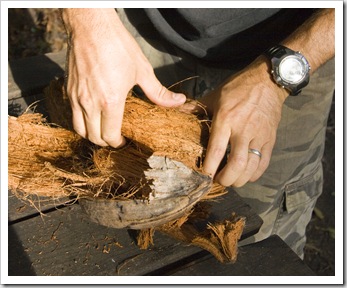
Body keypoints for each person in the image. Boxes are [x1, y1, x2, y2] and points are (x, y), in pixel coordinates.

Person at [60, 8, 335, 259]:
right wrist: (88, 20)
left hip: (296, 48)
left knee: (260, 245)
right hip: (144, 34)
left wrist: (277, 77)